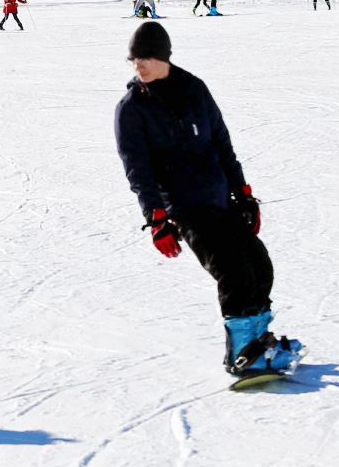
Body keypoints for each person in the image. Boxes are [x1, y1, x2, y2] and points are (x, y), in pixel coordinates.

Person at [114, 21, 301, 379]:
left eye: (146, 58)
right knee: (232, 271)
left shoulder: (194, 89)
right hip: (183, 207)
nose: (138, 66)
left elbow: (221, 143)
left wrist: (244, 194)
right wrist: (156, 219)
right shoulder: (131, 109)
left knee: (259, 266)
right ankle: (242, 354)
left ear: (164, 57)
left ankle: (259, 341)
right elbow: (138, 171)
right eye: (134, 59)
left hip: (219, 198)